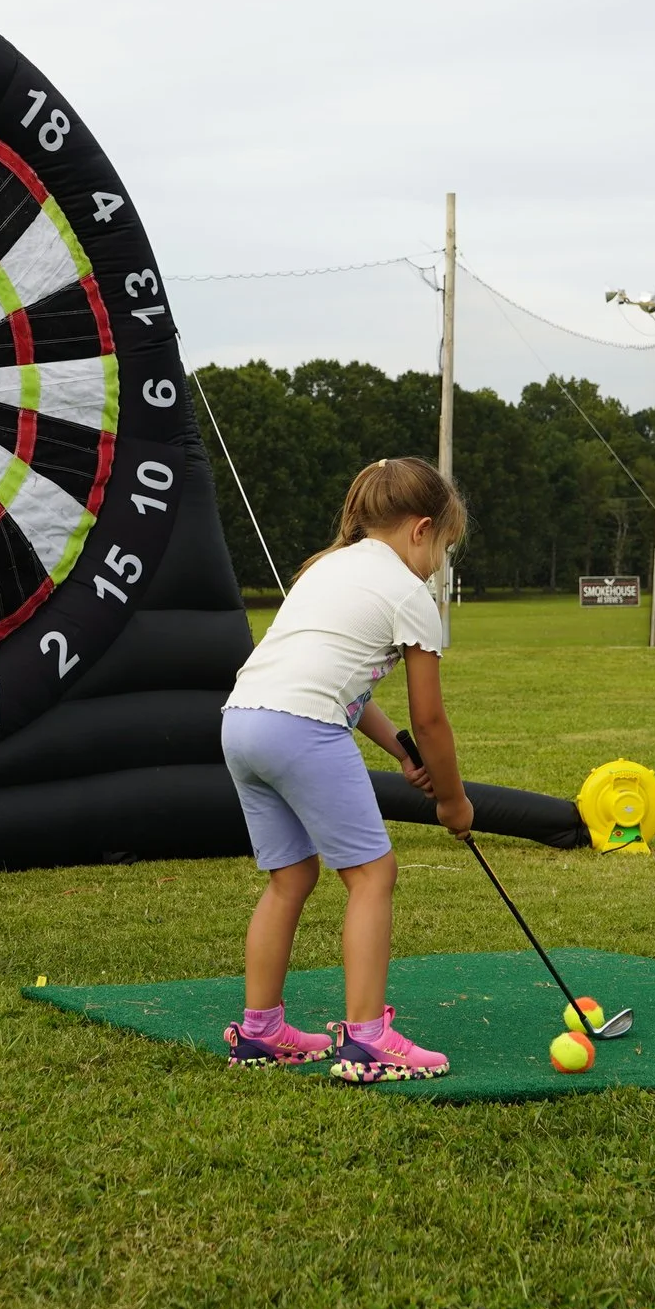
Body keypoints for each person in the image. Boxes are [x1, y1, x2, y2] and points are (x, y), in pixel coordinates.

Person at [218, 457, 474, 1083]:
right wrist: (452, 800)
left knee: (291, 876)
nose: (440, 562)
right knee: (371, 875)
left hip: (242, 722)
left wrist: (400, 754)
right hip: (301, 727)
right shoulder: (410, 594)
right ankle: (367, 1040)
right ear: (421, 529)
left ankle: (261, 1032)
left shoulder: (327, 568)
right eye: (444, 546)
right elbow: (432, 718)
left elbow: (346, 689)